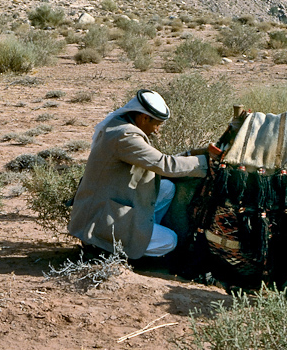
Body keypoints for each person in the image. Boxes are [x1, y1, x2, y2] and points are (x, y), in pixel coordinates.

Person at [68, 90, 215, 260]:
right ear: (144, 118)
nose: (157, 131)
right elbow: (163, 164)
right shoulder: (125, 136)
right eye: (157, 124)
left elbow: (157, 162)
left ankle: (141, 233)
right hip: (100, 219)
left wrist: (192, 153)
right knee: (169, 240)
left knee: (166, 188)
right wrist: (205, 161)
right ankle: (114, 249)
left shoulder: (121, 126)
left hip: (109, 202)